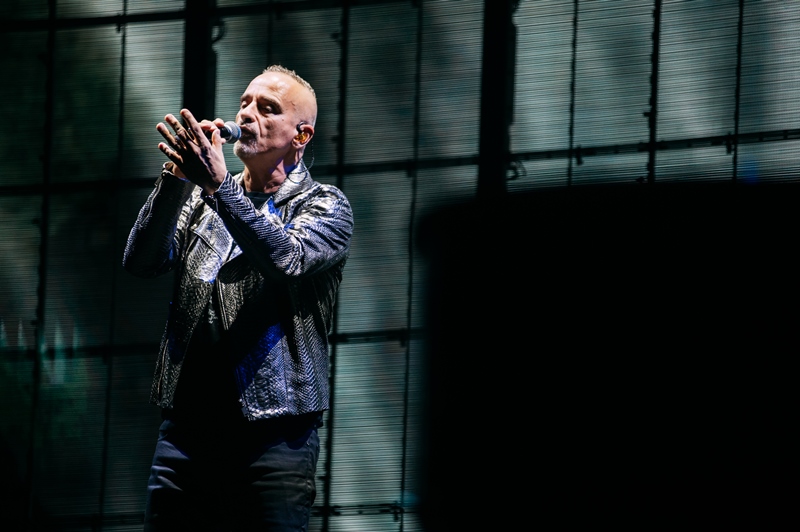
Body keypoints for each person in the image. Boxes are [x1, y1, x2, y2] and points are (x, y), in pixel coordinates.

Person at [123, 65, 353, 531]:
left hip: (275, 437)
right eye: (245, 103)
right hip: (186, 433)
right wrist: (175, 179)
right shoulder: (200, 201)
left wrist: (218, 186)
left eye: (268, 109)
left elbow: (285, 259)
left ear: (301, 135)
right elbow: (141, 262)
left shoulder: (326, 205)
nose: (247, 115)